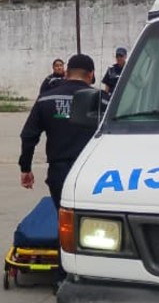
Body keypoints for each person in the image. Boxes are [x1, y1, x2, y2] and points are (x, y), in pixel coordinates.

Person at [19, 53, 100, 209]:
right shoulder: (103, 100)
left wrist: (26, 168)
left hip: (59, 173)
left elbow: (28, 136)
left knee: (64, 216)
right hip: (93, 174)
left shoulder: (46, 99)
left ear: (66, 73)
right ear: (91, 74)